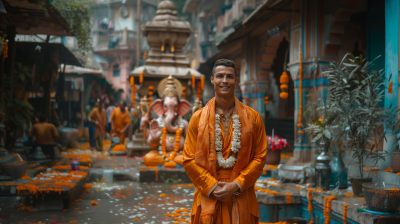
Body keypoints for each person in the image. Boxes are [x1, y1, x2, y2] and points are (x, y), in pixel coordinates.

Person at [183, 59, 267, 224]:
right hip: (209, 191)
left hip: (241, 192)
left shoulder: (253, 118)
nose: (224, 81)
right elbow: (189, 159)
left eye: (229, 76)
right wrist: (212, 186)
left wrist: (237, 184)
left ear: (236, 80)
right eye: (220, 76)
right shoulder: (198, 119)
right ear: (212, 79)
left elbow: (260, 157)